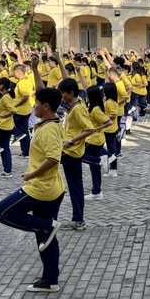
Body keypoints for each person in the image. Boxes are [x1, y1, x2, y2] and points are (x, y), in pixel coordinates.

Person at [0, 86, 66, 293]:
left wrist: (32, 174)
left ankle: (46, 225)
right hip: (51, 188)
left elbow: (53, 158)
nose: (33, 106)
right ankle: (50, 280)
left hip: (41, 188)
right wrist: (34, 69)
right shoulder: (50, 122)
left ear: (46, 106)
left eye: (36, 104)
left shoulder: (50, 128)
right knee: (45, 236)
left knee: (0, 212)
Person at [58, 78, 96, 231]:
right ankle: (77, 218)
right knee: (75, 186)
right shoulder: (75, 104)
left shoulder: (78, 109)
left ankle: (78, 219)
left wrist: (71, 141)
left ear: (71, 93)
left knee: (75, 187)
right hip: (68, 151)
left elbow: (90, 129)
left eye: (64, 94)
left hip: (71, 152)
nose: (62, 97)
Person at [83, 85, 114, 200]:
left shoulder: (95, 109)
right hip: (95, 139)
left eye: (87, 95)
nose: (85, 97)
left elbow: (109, 122)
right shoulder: (93, 107)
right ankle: (97, 191)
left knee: (77, 155)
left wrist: (96, 129)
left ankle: (100, 159)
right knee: (94, 168)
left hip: (93, 140)